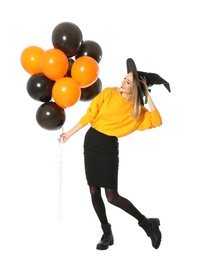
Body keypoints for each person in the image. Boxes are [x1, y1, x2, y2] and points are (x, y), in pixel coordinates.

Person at [59, 58, 162, 250]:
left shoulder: (138, 112)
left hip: (108, 147)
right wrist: (69, 134)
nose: (123, 82)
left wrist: (147, 91)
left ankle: (148, 224)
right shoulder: (108, 93)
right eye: (124, 78)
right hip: (91, 142)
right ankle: (107, 232)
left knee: (112, 196)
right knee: (93, 191)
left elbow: (156, 121)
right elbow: (89, 115)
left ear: (137, 90)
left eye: (128, 82)